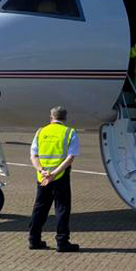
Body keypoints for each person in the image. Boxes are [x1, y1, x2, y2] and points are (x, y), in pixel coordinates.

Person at [28, 106, 80, 252]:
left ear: (50, 118)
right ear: (65, 118)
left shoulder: (40, 132)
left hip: (42, 177)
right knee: (62, 208)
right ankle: (62, 242)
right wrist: (54, 173)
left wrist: (41, 170)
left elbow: (33, 156)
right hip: (60, 177)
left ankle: (34, 239)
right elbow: (70, 158)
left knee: (40, 208)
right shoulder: (69, 132)